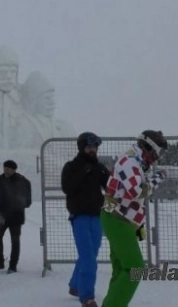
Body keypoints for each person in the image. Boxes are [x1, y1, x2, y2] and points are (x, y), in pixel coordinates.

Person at [101, 130, 169, 307]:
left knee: (121, 268)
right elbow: (137, 191)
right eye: (157, 153)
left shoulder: (135, 161)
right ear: (148, 148)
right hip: (117, 219)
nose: (157, 158)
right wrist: (158, 177)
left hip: (120, 219)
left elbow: (130, 197)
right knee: (135, 268)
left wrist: (139, 229)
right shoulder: (129, 162)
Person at [61, 132, 110, 307]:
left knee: (91, 253)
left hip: (96, 216)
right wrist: (85, 171)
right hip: (79, 216)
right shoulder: (71, 166)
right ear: (82, 147)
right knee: (89, 258)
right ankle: (87, 296)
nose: (93, 150)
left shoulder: (99, 167)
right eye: (89, 147)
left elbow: (110, 187)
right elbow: (67, 187)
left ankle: (75, 285)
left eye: (95, 147)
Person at [0, 160, 32, 273]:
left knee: (15, 240)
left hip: (16, 216)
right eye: (5, 167)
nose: (5, 170)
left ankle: (13, 265)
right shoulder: (1, 179)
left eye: (8, 168)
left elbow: (27, 201)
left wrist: (15, 203)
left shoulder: (23, 181)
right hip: (2, 214)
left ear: (14, 169)